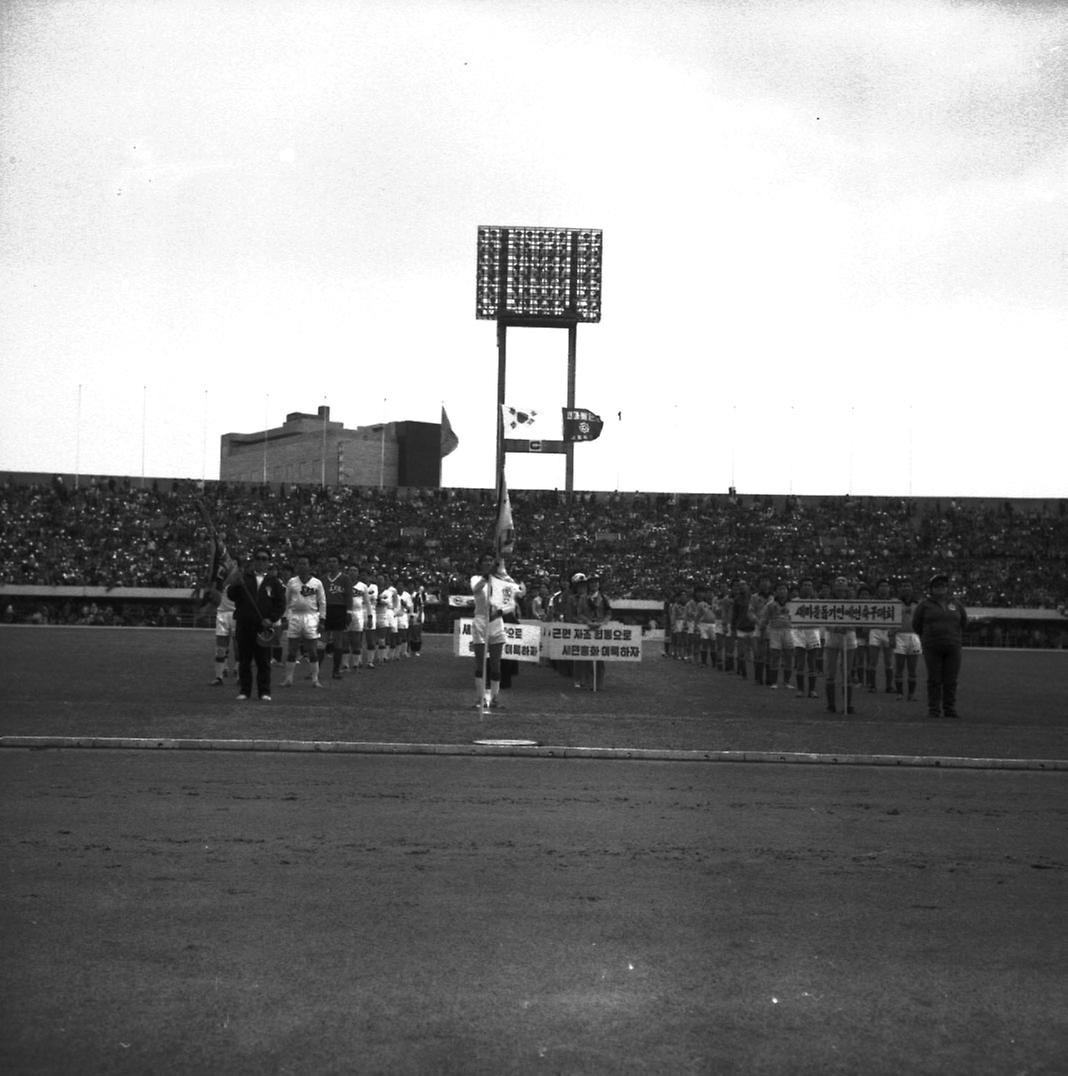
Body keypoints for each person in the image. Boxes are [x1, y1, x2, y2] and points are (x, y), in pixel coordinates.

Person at [227, 546, 286, 701]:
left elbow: (280, 604)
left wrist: (271, 619)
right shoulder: (244, 578)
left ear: (268, 562)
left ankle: (264, 691)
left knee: (263, 661)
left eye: (264, 559)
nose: (261, 561)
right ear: (253, 561)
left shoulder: (274, 582)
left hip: (263, 627)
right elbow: (231, 596)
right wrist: (235, 584)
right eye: (258, 558)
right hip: (245, 624)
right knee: (244, 660)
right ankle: (245, 691)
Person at [913, 573, 968, 718]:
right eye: (937, 586)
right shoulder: (924, 605)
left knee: (951, 679)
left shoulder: (956, 604)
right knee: (934, 679)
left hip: (953, 645)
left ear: (947, 588)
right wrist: (927, 637)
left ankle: (949, 708)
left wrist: (955, 635)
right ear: (931, 589)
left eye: (943, 585)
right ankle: (934, 709)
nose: (940, 588)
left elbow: (964, 622)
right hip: (932, 646)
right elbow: (916, 624)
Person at [470, 552, 520, 709]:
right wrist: (487, 577)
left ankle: (495, 698)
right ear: (481, 564)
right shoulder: (476, 579)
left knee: (495, 664)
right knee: (480, 664)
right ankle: (480, 698)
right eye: (485, 560)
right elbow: (475, 589)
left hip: (496, 622)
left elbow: (511, 603)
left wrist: (500, 612)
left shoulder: (502, 582)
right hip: (480, 621)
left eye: (491, 560)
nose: (488, 562)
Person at [282, 554, 327, 688]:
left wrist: (322, 620)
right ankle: (288, 679)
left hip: (311, 617)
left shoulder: (317, 583)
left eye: (305, 564)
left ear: (309, 566)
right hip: (295, 616)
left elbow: (322, 602)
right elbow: (286, 601)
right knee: (292, 650)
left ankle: (315, 679)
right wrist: (285, 617)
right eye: (300, 564)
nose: (302, 566)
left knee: (312, 650)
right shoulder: (292, 582)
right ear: (297, 566)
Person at [824, 576, 858, 714]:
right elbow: (823, 619)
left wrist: (849, 626)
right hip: (833, 636)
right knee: (830, 671)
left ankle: (847, 704)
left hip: (849, 636)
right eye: (838, 588)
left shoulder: (854, 603)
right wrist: (835, 628)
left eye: (842, 588)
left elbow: (859, 619)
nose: (840, 591)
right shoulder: (827, 603)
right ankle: (831, 704)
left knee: (847, 672)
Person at [576, 574, 611, 689]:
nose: (594, 585)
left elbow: (608, 613)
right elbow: (579, 613)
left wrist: (602, 623)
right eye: (592, 583)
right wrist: (587, 622)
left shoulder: (604, 598)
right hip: (587, 628)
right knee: (587, 656)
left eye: (596, 582)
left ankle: (600, 682)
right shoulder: (583, 598)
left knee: (600, 657)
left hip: (600, 629)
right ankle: (588, 681)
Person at [209, 560, 241, 685]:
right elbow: (215, 596)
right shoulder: (219, 579)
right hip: (222, 614)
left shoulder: (239, 578)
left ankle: (239, 673)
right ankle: (219, 677)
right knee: (221, 647)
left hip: (236, 614)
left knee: (239, 646)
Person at [757, 581, 794, 689]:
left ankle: (787, 682)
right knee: (775, 656)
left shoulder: (792, 604)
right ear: (776, 592)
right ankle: (774, 682)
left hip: (788, 630)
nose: (782, 591)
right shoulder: (771, 605)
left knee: (788, 656)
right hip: (775, 631)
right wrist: (761, 630)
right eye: (779, 589)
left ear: (787, 591)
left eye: (784, 589)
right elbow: (764, 618)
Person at [322, 554, 354, 679]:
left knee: (337, 641)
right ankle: (316, 669)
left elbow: (349, 597)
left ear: (339, 564)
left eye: (334, 561)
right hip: (326, 610)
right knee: (322, 641)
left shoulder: (345, 578)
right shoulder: (323, 579)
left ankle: (336, 670)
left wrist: (349, 612)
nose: (331, 563)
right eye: (330, 561)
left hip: (339, 610)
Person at [893, 581, 921, 702]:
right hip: (899, 635)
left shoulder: (918, 603)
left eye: (908, 586)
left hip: (914, 636)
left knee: (912, 668)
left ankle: (911, 694)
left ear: (912, 588)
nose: (906, 588)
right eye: (903, 586)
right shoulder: (895, 603)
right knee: (899, 666)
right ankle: (899, 693)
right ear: (900, 589)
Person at [866, 578, 896, 693]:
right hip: (875, 630)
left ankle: (889, 686)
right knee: (873, 660)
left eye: (886, 586)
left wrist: (893, 631)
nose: (884, 588)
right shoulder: (872, 601)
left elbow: (897, 618)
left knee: (889, 660)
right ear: (878, 589)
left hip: (888, 631)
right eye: (882, 586)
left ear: (889, 588)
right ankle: (872, 685)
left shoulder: (894, 601)